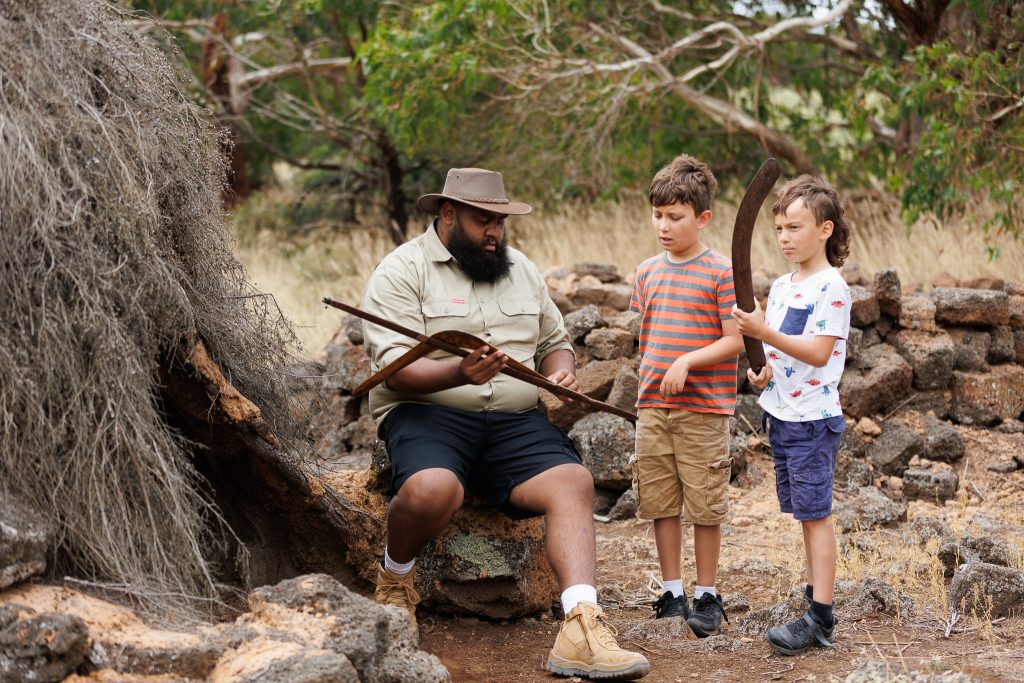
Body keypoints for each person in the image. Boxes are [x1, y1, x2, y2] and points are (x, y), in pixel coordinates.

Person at [361, 167, 649, 680]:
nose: (494, 232)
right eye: (482, 220)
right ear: (448, 215)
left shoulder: (520, 269)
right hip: (429, 414)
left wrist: (560, 373)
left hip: (514, 420)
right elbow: (397, 372)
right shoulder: (401, 270)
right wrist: (458, 371)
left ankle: (582, 626)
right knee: (433, 490)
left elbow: (554, 343)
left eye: (499, 221)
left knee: (574, 481)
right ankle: (394, 580)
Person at [731, 174, 852, 656]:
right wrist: (761, 374)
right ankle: (812, 601)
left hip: (812, 420)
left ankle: (820, 617)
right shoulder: (782, 286)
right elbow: (780, 355)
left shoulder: (832, 288)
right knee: (805, 514)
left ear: (824, 230)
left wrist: (763, 330)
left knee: (817, 515)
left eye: (795, 227)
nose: (784, 237)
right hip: (782, 415)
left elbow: (819, 352)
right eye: (779, 228)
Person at [629, 154, 743, 637]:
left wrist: (687, 361)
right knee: (660, 501)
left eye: (675, 217)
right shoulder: (646, 273)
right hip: (653, 407)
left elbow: (735, 339)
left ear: (702, 218)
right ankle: (672, 591)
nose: (664, 225)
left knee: (705, 503)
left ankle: (708, 595)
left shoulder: (721, 272)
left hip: (703, 409)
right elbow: (647, 335)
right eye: (658, 215)